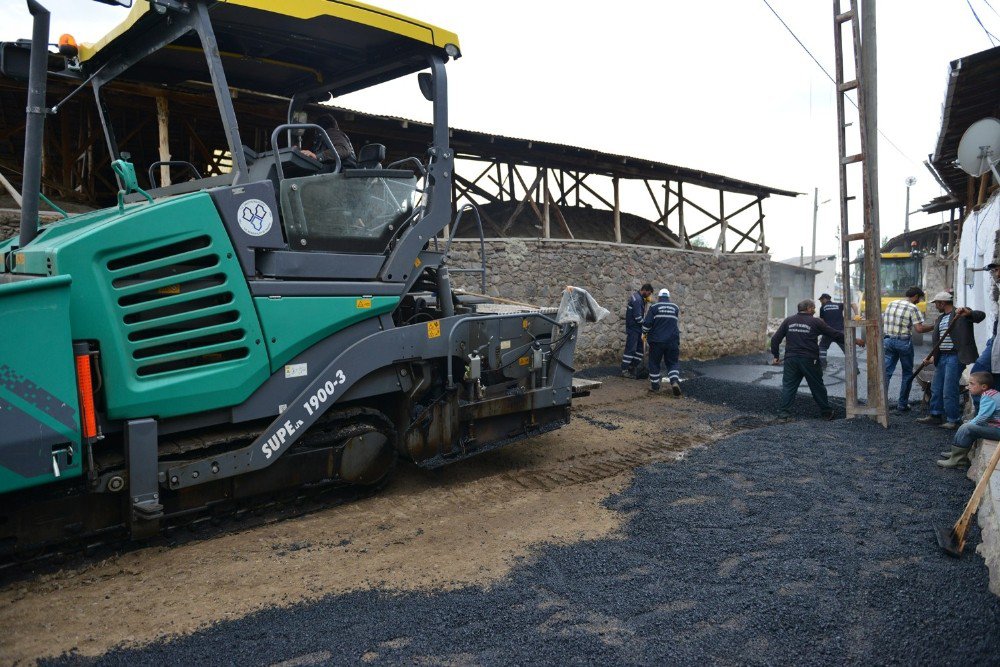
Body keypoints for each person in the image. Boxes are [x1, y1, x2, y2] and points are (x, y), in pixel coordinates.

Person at [771, 298, 865, 420]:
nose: (815, 310)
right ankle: (826, 412)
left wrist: (776, 356)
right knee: (817, 386)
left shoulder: (789, 321)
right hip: (809, 360)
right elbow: (834, 334)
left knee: (788, 386)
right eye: (813, 308)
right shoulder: (815, 322)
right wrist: (855, 340)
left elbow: (775, 339)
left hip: (791, 360)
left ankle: (783, 415)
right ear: (809, 308)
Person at [916, 292, 986, 430]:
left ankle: (953, 419)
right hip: (942, 356)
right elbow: (939, 341)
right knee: (936, 387)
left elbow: (980, 316)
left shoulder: (960, 314)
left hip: (955, 357)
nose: (935, 306)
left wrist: (968, 313)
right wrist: (932, 358)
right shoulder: (941, 318)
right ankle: (935, 415)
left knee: (949, 389)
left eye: (936, 303)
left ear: (942, 303)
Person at [882, 286, 934, 412]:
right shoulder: (913, 307)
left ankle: (882, 404)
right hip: (903, 342)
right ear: (915, 296)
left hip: (888, 341)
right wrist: (934, 326)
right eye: (919, 299)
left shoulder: (891, 304)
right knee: (907, 373)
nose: (919, 301)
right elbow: (919, 329)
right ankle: (902, 404)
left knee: (886, 372)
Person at [938, 371, 1000, 468]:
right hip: (995, 426)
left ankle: (958, 460)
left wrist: (970, 424)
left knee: (967, 428)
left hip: (998, 430)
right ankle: (956, 453)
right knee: (967, 425)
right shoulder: (991, 394)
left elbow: (982, 418)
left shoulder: (988, 397)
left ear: (983, 387)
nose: (968, 386)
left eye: (972, 384)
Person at [642, 288, 681, 395]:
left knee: (654, 362)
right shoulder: (675, 308)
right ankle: (674, 382)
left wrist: (644, 333)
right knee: (672, 362)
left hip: (657, 341)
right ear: (668, 297)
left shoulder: (654, 307)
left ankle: (655, 386)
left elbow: (647, 323)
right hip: (672, 340)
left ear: (659, 297)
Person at [621, 283, 653, 378]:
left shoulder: (641, 299)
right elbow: (638, 317)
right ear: (645, 290)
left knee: (640, 350)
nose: (649, 296)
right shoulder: (637, 300)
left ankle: (632, 367)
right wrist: (647, 325)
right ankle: (624, 370)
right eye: (649, 293)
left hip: (639, 329)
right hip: (634, 329)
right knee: (631, 349)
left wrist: (646, 301)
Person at [817, 293, 855, 368]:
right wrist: (857, 315)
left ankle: (822, 365)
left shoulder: (822, 307)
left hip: (828, 332)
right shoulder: (839, 305)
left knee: (822, 347)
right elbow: (853, 304)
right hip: (840, 332)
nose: (820, 301)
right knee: (847, 349)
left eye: (821, 300)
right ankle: (854, 367)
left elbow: (822, 321)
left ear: (824, 299)